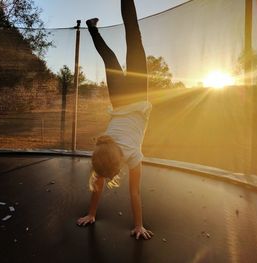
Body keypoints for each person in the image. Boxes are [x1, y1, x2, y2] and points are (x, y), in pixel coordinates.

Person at [77, 0, 153, 240]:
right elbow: (98, 181)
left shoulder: (131, 155)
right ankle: (91, 27)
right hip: (120, 99)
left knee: (134, 38)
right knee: (110, 59)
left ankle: (92, 26)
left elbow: (134, 194)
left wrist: (139, 225)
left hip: (138, 94)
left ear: (119, 163)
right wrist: (91, 213)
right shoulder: (103, 149)